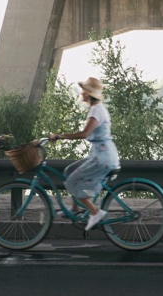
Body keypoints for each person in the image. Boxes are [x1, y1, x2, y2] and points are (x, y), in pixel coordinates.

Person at [49, 76, 120, 231]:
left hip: (103, 158)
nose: (81, 93)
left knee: (73, 181)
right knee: (69, 171)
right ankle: (75, 209)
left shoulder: (96, 110)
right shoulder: (97, 108)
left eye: (83, 91)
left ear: (88, 94)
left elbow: (85, 134)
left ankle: (95, 212)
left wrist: (60, 136)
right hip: (100, 154)